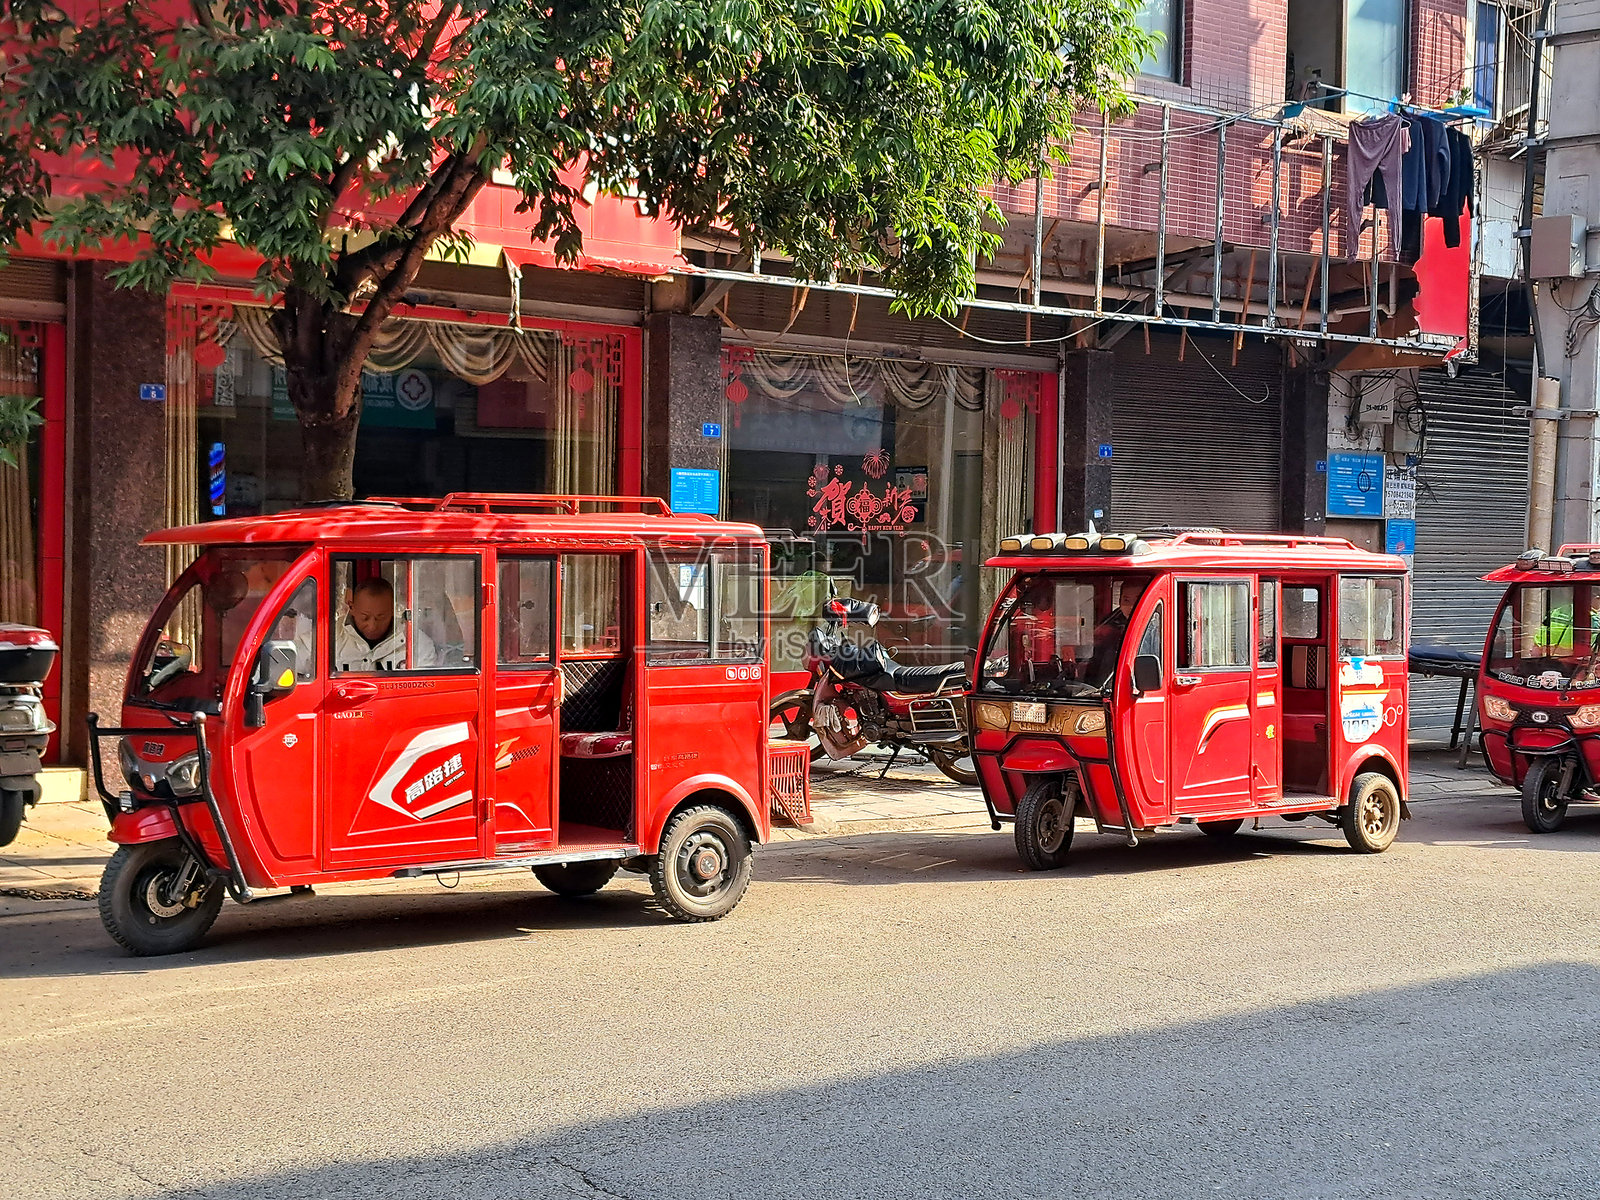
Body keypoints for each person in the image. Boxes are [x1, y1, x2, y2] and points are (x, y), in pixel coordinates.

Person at [335, 577, 434, 672]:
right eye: (365, 617)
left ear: (393, 610)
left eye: (381, 617)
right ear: (351, 608)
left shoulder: (417, 644)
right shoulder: (330, 638)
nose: (372, 626)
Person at [1085, 578, 1147, 687]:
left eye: (1138, 600)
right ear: (1119, 601)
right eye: (1126, 600)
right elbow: (1097, 662)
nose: (1131, 606)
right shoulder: (1109, 626)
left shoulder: (1157, 626)